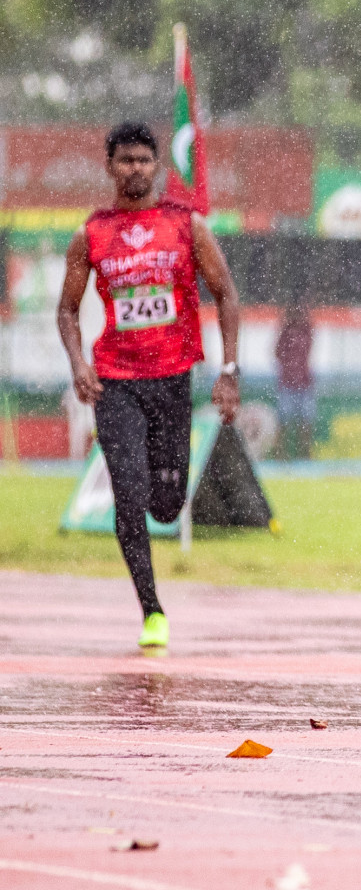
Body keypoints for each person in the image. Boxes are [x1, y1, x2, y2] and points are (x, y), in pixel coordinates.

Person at [55, 121, 241, 650]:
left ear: (157, 165)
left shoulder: (186, 225)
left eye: (143, 159)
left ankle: (161, 519)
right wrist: (78, 364)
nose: (134, 168)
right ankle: (151, 609)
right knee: (130, 494)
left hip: (172, 377)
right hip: (115, 380)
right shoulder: (91, 233)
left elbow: (226, 294)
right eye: (125, 160)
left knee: (165, 504)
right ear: (109, 166)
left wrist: (229, 370)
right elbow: (67, 310)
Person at [274, 306, 315, 459]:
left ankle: (304, 454)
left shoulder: (305, 332)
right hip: (289, 382)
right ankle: (281, 454)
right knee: (284, 421)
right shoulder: (287, 334)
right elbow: (277, 352)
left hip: (302, 382)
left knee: (305, 421)